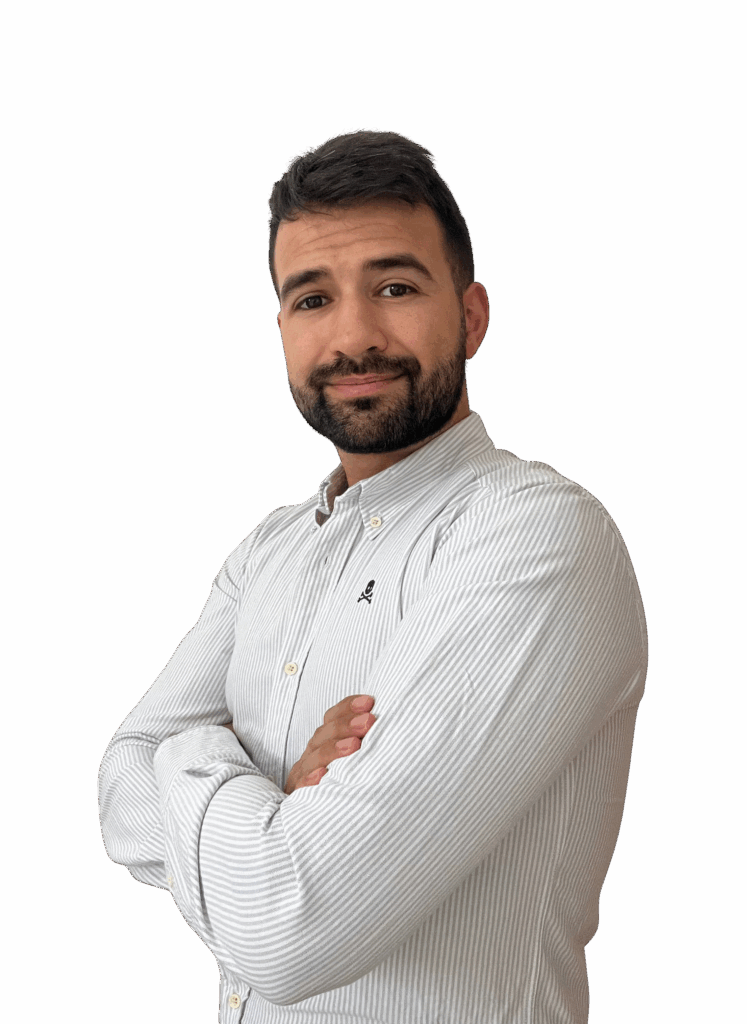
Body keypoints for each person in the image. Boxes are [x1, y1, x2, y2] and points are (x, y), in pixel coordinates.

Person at [98, 129, 648, 1024]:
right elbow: (115, 782)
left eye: (395, 287)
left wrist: (192, 755)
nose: (353, 337)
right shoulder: (268, 550)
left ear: (471, 316)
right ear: (283, 332)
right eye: (312, 298)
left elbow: (292, 927)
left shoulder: (536, 536)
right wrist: (273, 801)